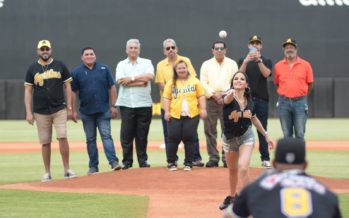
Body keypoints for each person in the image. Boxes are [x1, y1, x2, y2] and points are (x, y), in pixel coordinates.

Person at [231, 138, 342, 218]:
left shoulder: (255, 189)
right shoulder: (327, 194)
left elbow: (230, 216)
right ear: (305, 164)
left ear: (274, 164)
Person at [219, 71, 274, 210]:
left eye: (242, 79)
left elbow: (254, 118)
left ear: (246, 84)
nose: (238, 80)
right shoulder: (229, 97)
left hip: (246, 136)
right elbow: (227, 99)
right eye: (236, 78)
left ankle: (251, 199)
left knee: (243, 168)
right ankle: (232, 197)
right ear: (232, 83)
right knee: (232, 170)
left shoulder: (250, 100)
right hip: (230, 139)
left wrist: (266, 135)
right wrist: (230, 92)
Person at [24, 40, 77, 182]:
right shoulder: (32, 68)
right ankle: (47, 172)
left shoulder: (60, 65)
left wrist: (70, 107)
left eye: (47, 49)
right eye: (42, 49)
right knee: (45, 142)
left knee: (62, 137)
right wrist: (28, 112)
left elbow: (68, 87)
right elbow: (28, 91)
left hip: (59, 108)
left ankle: (67, 169)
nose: (45, 51)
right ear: (38, 51)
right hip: (40, 111)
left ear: (51, 50)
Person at [71, 47, 121, 175]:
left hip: (103, 110)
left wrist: (114, 106)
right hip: (86, 112)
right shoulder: (76, 72)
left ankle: (114, 162)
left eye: (91, 54)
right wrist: (72, 109)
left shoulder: (104, 69)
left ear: (95, 56)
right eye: (86, 54)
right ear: (82, 57)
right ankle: (93, 166)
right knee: (90, 139)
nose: (89, 56)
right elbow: (73, 92)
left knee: (106, 136)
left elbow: (112, 87)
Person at [155, 38, 204, 167]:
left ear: (177, 49)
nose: (170, 50)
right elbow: (161, 84)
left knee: (192, 134)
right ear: (164, 51)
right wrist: (173, 87)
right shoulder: (160, 65)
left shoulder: (185, 60)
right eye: (167, 48)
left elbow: (193, 78)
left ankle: (195, 158)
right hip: (169, 104)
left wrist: (181, 87)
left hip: (188, 103)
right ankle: (172, 160)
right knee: (169, 135)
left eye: (172, 47)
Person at [115, 39, 154, 170]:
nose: (133, 50)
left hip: (144, 103)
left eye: (135, 48)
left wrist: (131, 79)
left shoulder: (146, 62)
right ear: (126, 50)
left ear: (139, 50)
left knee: (142, 134)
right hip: (126, 103)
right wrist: (140, 81)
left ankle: (143, 160)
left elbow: (149, 77)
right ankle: (127, 161)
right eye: (130, 48)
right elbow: (121, 81)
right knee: (126, 134)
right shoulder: (121, 64)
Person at [200, 41, 238, 168]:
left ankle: (226, 158)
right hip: (210, 100)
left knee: (227, 130)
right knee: (209, 130)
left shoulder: (232, 64)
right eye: (217, 48)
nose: (219, 50)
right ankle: (213, 158)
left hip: (227, 100)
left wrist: (224, 94)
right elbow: (203, 83)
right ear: (212, 50)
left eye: (222, 48)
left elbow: (235, 81)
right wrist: (214, 94)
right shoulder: (206, 64)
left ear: (226, 50)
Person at [163, 60, 207, 171]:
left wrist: (203, 109)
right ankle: (171, 162)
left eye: (183, 68)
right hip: (174, 115)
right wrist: (167, 112)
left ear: (187, 69)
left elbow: (201, 96)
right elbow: (167, 98)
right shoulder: (171, 83)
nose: (182, 70)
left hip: (192, 115)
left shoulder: (195, 81)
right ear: (175, 70)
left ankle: (188, 163)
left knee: (190, 139)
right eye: (179, 68)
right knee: (173, 138)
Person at [238, 35, 273, 168]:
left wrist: (258, 61)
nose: (255, 45)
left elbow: (266, 74)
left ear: (261, 46)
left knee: (262, 129)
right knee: (242, 129)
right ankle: (242, 158)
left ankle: (265, 158)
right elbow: (239, 76)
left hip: (262, 100)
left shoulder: (266, 60)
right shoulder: (243, 60)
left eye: (257, 43)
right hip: (246, 100)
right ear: (248, 46)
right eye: (252, 44)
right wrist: (246, 62)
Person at [274, 38, 314, 140]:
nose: (289, 49)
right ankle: (288, 156)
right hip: (284, 102)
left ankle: (299, 156)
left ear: (296, 49)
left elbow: (310, 84)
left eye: (291, 47)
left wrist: (301, 94)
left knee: (300, 133)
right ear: (284, 50)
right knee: (286, 134)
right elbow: (277, 84)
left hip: (300, 102)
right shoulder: (278, 66)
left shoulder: (306, 65)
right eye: (287, 47)